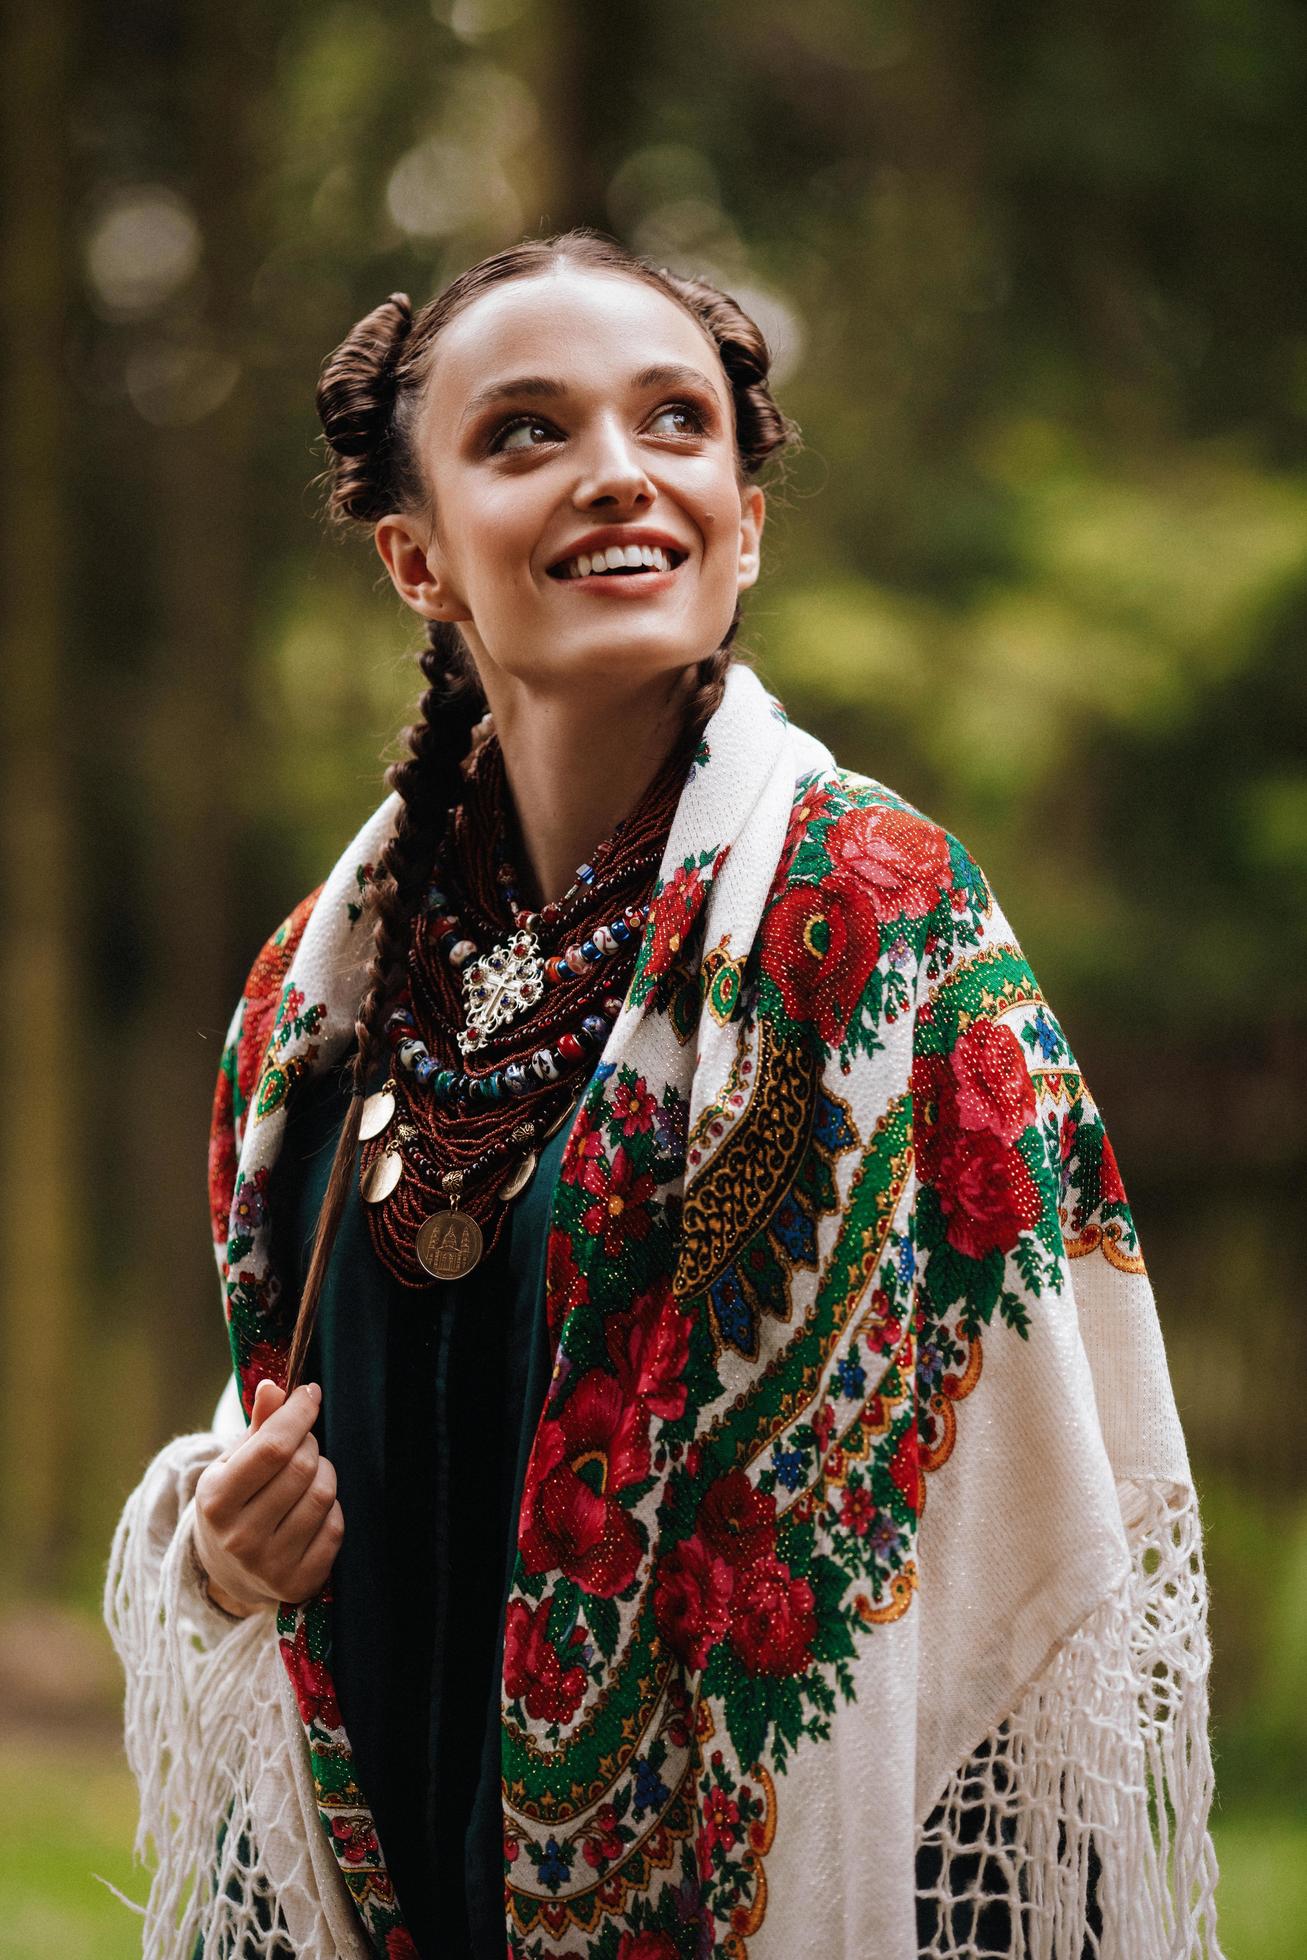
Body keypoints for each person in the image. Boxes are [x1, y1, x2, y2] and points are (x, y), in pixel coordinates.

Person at [106, 231, 1223, 1960]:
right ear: (418, 559)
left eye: (674, 424)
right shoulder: (310, 1005)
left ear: (746, 521)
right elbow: (343, 1436)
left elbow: (1010, 1490)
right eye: (527, 433)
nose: (619, 474)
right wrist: (230, 1554)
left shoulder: (873, 915)